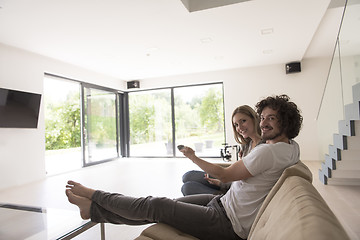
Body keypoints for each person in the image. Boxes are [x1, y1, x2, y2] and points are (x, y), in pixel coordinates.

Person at [66, 94, 303, 240]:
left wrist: (192, 156)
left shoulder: (269, 151)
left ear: (286, 121)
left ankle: (94, 195)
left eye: (271, 118)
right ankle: (93, 210)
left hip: (227, 224)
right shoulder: (291, 147)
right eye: (263, 117)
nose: (264, 122)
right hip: (221, 205)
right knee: (159, 206)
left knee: (156, 204)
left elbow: (222, 174)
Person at [181, 105, 262, 196]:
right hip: (231, 182)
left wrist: (220, 183)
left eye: (243, 121)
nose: (240, 127)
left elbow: (240, 180)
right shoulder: (248, 144)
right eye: (236, 125)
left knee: (187, 188)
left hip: (233, 191)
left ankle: (218, 195)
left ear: (254, 119)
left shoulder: (261, 149)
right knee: (188, 176)